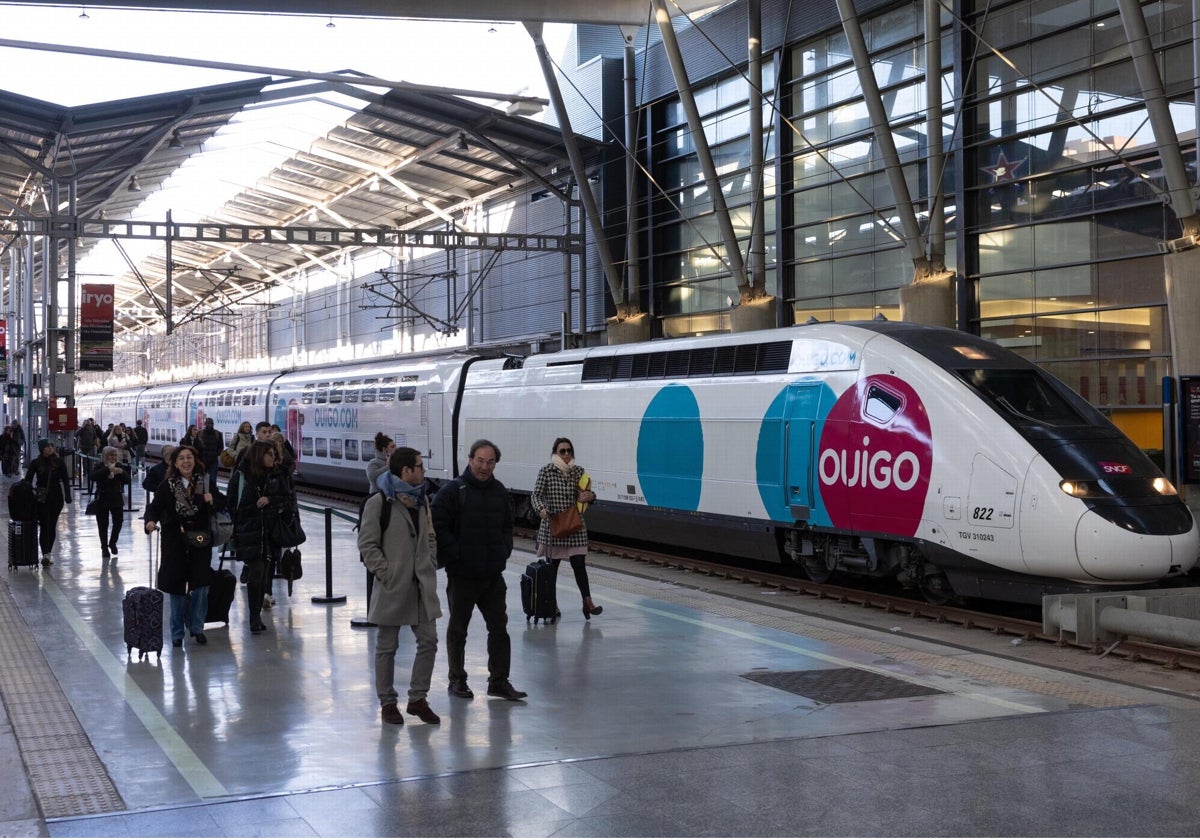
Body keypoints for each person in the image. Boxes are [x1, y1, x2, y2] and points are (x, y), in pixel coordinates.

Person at [430, 439, 526, 702]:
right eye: (480, 460)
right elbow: (437, 523)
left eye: (491, 462)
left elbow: (508, 525)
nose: (485, 466)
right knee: (458, 629)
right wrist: (455, 554)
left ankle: (498, 681)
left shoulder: (499, 491)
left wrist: (504, 550)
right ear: (470, 459)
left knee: (499, 629)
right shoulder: (453, 491)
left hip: (492, 575)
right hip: (462, 575)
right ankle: (457, 679)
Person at [358, 447, 442, 726]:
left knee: (428, 640)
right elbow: (367, 545)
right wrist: (387, 573)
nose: (424, 470)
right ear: (406, 471)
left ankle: (417, 699)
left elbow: (429, 534)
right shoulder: (379, 502)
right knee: (387, 646)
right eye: (420, 466)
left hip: (421, 583)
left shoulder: (422, 500)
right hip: (393, 584)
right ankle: (387, 702)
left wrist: (430, 557)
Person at [143, 445, 223, 648]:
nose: (186, 462)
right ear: (175, 463)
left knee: (201, 586)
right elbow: (154, 508)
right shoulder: (167, 485)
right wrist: (150, 522)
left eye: (189, 457)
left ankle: (197, 627)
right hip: (174, 541)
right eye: (181, 459)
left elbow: (224, 503)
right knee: (176, 588)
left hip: (200, 540)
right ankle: (177, 633)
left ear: (195, 460)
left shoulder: (205, 482)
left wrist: (213, 499)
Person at [530, 437, 602, 620]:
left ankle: (587, 602)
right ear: (555, 453)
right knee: (552, 569)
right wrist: (541, 510)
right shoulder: (546, 471)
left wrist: (591, 496)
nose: (567, 454)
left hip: (575, 526)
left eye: (569, 451)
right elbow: (536, 495)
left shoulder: (578, 472)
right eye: (562, 451)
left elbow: (589, 494)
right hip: (554, 526)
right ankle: (551, 603)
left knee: (579, 565)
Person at [228, 440, 293, 633]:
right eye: (269, 454)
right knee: (256, 574)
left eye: (273, 454)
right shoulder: (241, 477)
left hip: (271, 534)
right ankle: (254, 617)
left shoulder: (277, 475)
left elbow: (287, 499)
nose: (273, 458)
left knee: (264, 575)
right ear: (258, 456)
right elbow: (232, 505)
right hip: (250, 533)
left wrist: (271, 500)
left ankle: (256, 615)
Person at [25, 439, 72, 566]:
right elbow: (28, 479)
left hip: (56, 496)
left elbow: (65, 480)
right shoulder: (36, 463)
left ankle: (48, 553)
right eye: (47, 447)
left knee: (52, 525)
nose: (50, 448)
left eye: (51, 446)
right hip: (41, 497)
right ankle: (45, 553)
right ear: (42, 449)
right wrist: (27, 493)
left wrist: (68, 495)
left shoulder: (59, 462)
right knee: (45, 524)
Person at [89, 446, 131, 560]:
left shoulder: (119, 466)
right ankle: (104, 547)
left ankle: (113, 542)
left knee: (119, 521)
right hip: (102, 497)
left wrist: (121, 472)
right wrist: (108, 469)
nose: (113, 457)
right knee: (103, 524)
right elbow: (93, 476)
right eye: (111, 455)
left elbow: (128, 480)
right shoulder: (100, 466)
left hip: (116, 497)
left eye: (115, 455)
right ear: (105, 456)